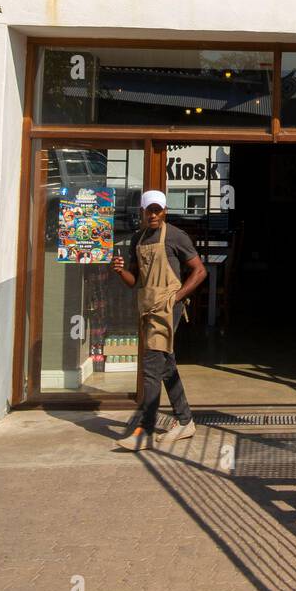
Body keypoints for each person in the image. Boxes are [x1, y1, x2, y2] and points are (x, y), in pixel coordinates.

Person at [111, 191, 207, 452]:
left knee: (152, 365)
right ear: (142, 211)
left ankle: (146, 429)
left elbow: (200, 271)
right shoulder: (137, 239)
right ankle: (185, 421)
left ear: (165, 210)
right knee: (165, 363)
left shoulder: (175, 236)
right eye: (149, 210)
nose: (154, 215)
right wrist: (121, 271)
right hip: (147, 306)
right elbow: (135, 282)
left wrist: (175, 298)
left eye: (158, 210)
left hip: (166, 308)